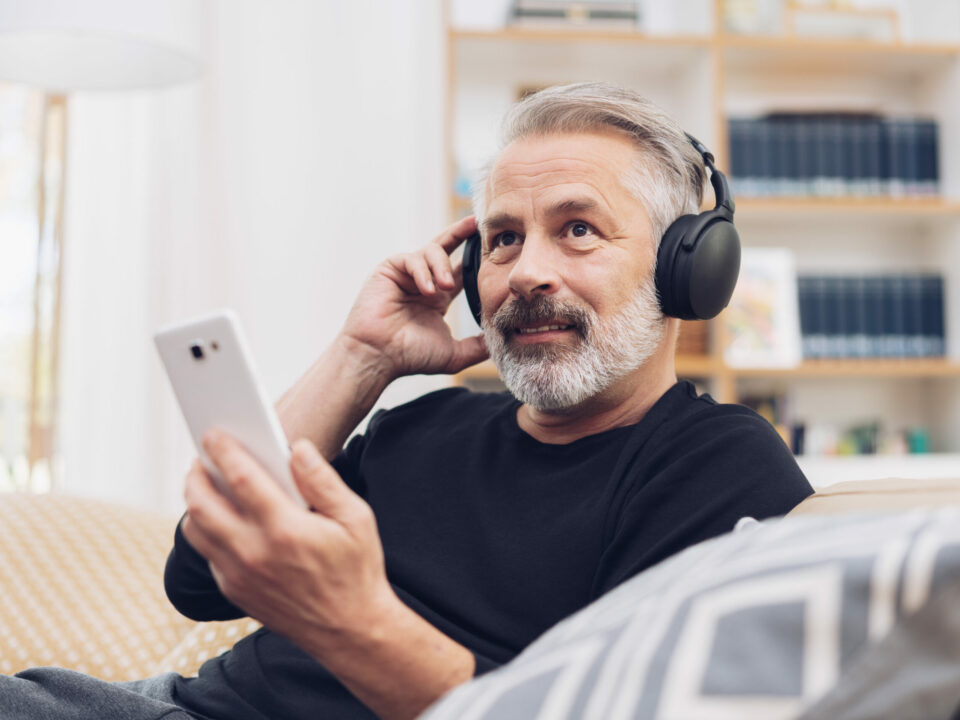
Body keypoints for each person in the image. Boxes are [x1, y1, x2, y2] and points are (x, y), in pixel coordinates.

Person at [2, 82, 812, 720]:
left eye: (577, 230)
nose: (526, 271)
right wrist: (364, 358)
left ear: (687, 269)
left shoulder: (719, 467)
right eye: (501, 239)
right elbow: (200, 577)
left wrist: (349, 621)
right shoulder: (423, 424)